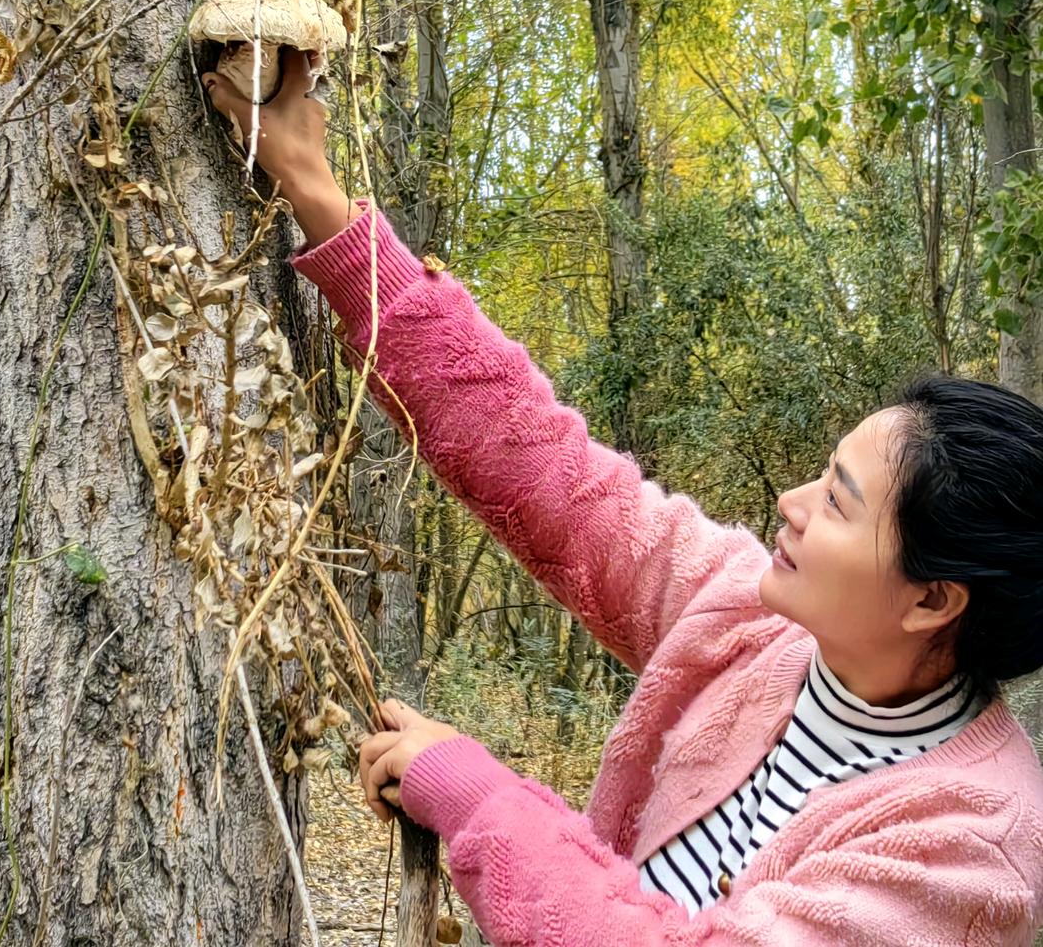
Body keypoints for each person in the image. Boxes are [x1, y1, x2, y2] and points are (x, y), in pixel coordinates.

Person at [204, 49, 1043, 945]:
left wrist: (484, 801)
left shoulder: (970, 845)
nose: (791, 504)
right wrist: (325, 205)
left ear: (933, 597)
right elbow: (543, 469)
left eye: (839, 503)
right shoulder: (751, 625)